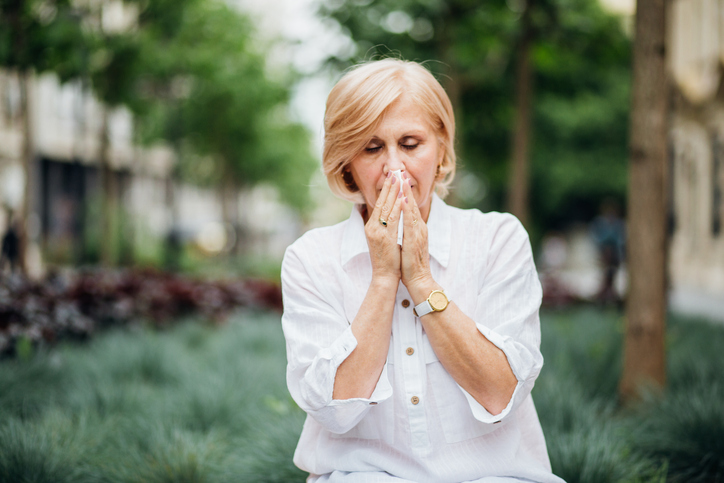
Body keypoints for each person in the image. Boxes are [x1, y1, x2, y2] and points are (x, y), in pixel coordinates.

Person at [281, 59, 564, 483]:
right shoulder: (310, 259)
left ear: (442, 150)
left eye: (410, 144)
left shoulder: (498, 238)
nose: (394, 167)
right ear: (346, 164)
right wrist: (383, 279)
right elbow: (335, 409)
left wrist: (420, 279)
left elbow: (501, 392)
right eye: (372, 148)